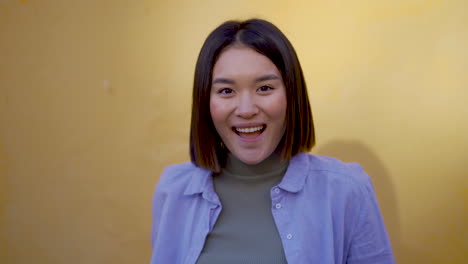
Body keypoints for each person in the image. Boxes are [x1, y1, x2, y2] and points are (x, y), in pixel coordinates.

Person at [150, 18, 395, 264]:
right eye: (226, 91)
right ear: (205, 101)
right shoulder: (173, 191)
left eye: (265, 88)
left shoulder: (346, 190)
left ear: (292, 94)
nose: (246, 109)